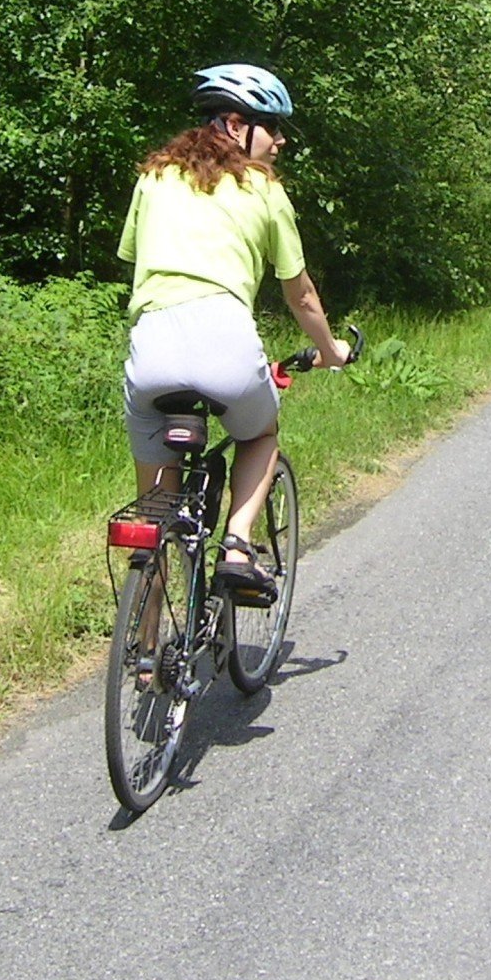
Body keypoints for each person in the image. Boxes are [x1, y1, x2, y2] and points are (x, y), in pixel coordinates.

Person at [117, 63, 351, 602]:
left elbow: (132, 260)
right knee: (261, 435)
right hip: (223, 341)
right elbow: (302, 296)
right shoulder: (264, 190)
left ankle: (147, 656)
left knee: (153, 518)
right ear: (235, 125)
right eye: (272, 125)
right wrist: (330, 351)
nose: (282, 138)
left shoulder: (153, 177)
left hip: (152, 345)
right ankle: (238, 546)